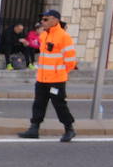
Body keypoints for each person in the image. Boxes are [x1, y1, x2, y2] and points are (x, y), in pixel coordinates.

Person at [18, 9, 78, 142]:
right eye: (42, 19)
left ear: (55, 20)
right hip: (42, 78)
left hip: (56, 79)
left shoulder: (63, 37)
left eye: (46, 19)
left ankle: (69, 129)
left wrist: (60, 72)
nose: (42, 22)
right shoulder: (44, 35)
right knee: (38, 103)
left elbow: (70, 61)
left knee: (59, 104)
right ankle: (34, 128)